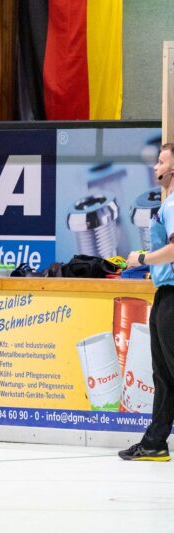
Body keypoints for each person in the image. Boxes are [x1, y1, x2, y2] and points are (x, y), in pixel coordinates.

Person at [120, 143, 174, 461]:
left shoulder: (173, 205)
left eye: (161, 161)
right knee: (163, 375)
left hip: (172, 297)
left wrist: (142, 258)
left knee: (169, 371)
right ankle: (155, 441)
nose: (156, 166)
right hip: (164, 294)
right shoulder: (167, 204)